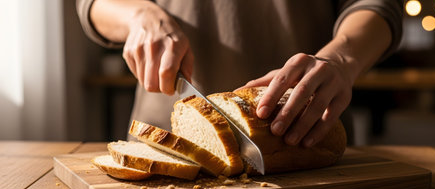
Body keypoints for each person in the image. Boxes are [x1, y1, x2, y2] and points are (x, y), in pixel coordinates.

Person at [77, 0, 402, 147]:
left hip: (306, 131)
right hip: (167, 137)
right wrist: (139, 14)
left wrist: (341, 58)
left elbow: (378, 4)